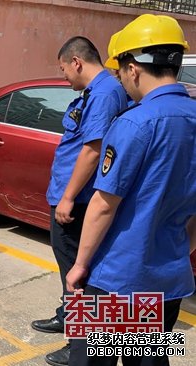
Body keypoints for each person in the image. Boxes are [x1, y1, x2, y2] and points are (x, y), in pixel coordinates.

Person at [65, 14, 196, 365]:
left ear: (133, 68)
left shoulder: (134, 122)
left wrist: (79, 265)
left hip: (117, 280)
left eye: (120, 71)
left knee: (90, 360)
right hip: (169, 278)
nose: (121, 80)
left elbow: (104, 205)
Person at [31, 37, 128, 366]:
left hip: (80, 201)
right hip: (69, 196)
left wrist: (69, 197)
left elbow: (93, 149)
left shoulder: (104, 93)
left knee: (78, 276)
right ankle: (67, 318)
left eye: (63, 70)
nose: (64, 78)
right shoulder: (96, 92)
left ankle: (79, 345)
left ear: (77, 61)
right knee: (69, 271)